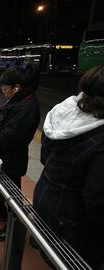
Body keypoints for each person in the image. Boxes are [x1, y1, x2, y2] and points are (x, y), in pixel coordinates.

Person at [33, 65, 104, 269]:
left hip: (46, 198)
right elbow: (97, 201)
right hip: (72, 220)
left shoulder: (63, 112)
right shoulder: (99, 136)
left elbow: (45, 157)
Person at [0, 64, 40, 241]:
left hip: (13, 156)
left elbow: (8, 137)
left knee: (13, 192)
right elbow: (6, 122)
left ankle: (14, 228)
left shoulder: (27, 107)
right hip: (2, 153)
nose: (3, 92)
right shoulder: (18, 99)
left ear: (16, 87)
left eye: (5, 89)